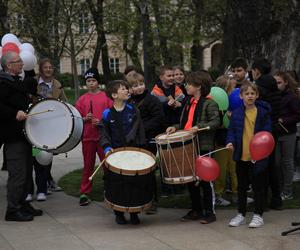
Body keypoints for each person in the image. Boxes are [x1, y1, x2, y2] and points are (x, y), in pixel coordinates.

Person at [166, 70, 220, 224]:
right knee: (191, 179)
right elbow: (185, 124)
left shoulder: (210, 103)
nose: (186, 86)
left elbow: (216, 122)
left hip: (203, 145)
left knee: (205, 180)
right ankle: (196, 209)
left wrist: (199, 127)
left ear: (199, 86)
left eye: (189, 84)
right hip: (189, 146)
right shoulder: (188, 102)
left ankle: (210, 212)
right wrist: (175, 127)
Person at [0, 51, 43, 221]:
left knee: (25, 172)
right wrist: (14, 113)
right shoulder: (2, 82)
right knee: (17, 173)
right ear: (8, 65)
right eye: (18, 61)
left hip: (24, 135)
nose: (21, 63)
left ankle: (23, 204)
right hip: (13, 136)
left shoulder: (16, 81)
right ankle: (12, 209)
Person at [99, 80, 146, 225]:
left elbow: (139, 131)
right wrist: (107, 147)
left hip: (132, 152)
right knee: (116, 184)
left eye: (127, 88)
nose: (127, 90)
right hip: (115, 155)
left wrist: (139, 148)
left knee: (133, 183)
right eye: (123, 89)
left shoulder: (133, 110)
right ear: (114, 95)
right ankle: (118, 213)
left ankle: (134, 213)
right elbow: (104, 134)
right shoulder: (107, 114)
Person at [226, 81, 272, 228]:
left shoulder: (263, 113)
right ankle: (241, 214)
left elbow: (267, 133)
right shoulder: (237, 113)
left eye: (253, 93)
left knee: (259, 186)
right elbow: (232, 131)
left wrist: (261, 149)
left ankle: (258, 215)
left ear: (257, 95)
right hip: (242, 156)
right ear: (241, 96)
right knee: (242, 187)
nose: (250, 96)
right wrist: (230, 142)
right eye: (247, 94)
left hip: (259, 157)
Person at [26, 58, 67, 202]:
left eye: (50, 67)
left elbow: (65, 104)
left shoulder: (58, 85)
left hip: (50, 128)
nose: (48, 69)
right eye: (45, 67)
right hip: (35, 126)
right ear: (41, 69)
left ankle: (43, 188)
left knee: (45, 159)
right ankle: (29, 190)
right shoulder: (33, 83)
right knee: (32, 158)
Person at [126, 72, 165, 214]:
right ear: (129, 88)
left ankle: (152, 201)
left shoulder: (152, 100)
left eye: (141, 84)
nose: (139, 88)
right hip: (133, 141)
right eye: (135, 86)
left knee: (148, 171)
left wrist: (141, 128)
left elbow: (158, 119)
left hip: (149, 140)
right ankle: (139, 198)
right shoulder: (128, 102)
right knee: (135, 171)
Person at [75, 68, 112, 206]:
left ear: (98, 81)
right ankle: (85, 192)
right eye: (88, 81)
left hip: (103, 138)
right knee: (88, 166)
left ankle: (110, 189)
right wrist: (85, 118)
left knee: (107, 165)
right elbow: (76, 118)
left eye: (93, 80)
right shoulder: (82, 100)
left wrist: (101, 121)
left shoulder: (106, 97)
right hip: (88, 137)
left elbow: (112, 115)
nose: (91, 83)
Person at [251, 58, 282, 210]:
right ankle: (276, 199)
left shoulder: (258, 88)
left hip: (262, 130)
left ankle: (261, 202)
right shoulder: (274, 85)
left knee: (261, 166)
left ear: (257, 70)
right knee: (271, 166)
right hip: (274, 129)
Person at [274, 71, 300, 200]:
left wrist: (284, 120)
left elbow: (298, 115)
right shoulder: (274, 95)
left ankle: (287, 191)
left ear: (285, 82)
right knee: (277, 162)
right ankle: (279, 189)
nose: (277, 85)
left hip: (288, 133)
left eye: (279, 82)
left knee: (288, 162)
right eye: (275, 82)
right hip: (276, 134)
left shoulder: (292, 97)